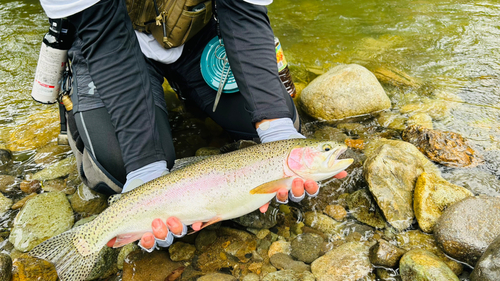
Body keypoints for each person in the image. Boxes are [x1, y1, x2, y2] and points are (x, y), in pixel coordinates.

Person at [38, 0, 347, 251]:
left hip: (197, 34)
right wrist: (144, 164)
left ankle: (189, 92)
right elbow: (103, 36)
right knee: (119, 168)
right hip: (107, 46)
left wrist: (276, 128)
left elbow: (243, 13)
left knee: (283, 121)